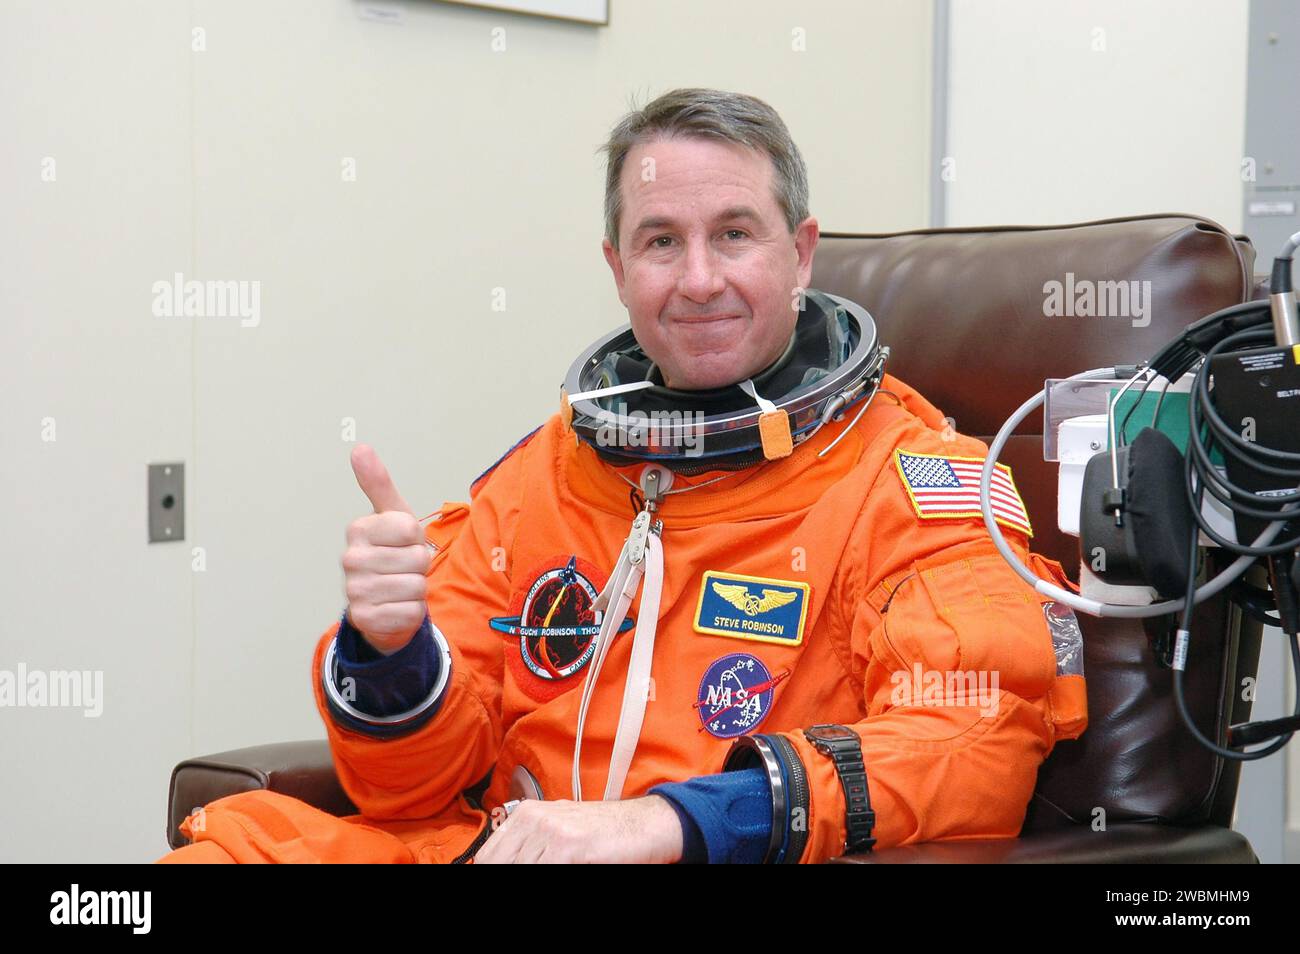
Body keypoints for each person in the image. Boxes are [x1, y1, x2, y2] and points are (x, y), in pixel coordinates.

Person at [157, 87, 1086, 865]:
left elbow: (971, 740)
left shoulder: (913, 481)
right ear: (616, 267)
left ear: (801, 252)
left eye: (734, 234)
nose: (698, 280)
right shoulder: (551, 475)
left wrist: (675, 822)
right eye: (659, 242)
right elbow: (407, 790)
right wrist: (395, 658)